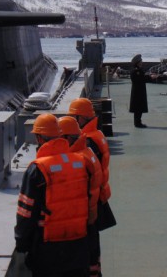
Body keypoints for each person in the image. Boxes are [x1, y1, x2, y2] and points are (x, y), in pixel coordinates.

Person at [15, 114, 90, 277]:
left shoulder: (38, 169)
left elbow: (26, 212)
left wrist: (21, 243)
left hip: (48, 250)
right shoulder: (80, 162)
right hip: (78, 245)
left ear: (39, 138)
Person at [68, 98, 117, 276]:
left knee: (89, 244)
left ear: (81, 118)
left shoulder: (88, 141)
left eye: (74, 117)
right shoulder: (96, 134)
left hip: (92, 201)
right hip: (100, 194)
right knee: (92, 246)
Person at [59, 116, 103, 277]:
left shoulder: (76, 161)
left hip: (79, 226)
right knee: (92, 265)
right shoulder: (87, 151)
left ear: (67, 138)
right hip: (91, 220)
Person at [129, 54, 148, 128]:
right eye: (141, 61)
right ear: (137, 62)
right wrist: (148, 77)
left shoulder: (139, 70)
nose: (142, 62)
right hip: (137, 92)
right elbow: (139, 79)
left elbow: (142, 78)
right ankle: (137, 123)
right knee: (138, 108)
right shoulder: (136, 71)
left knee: (139, 108)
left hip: (139, 91)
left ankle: (138, 122)